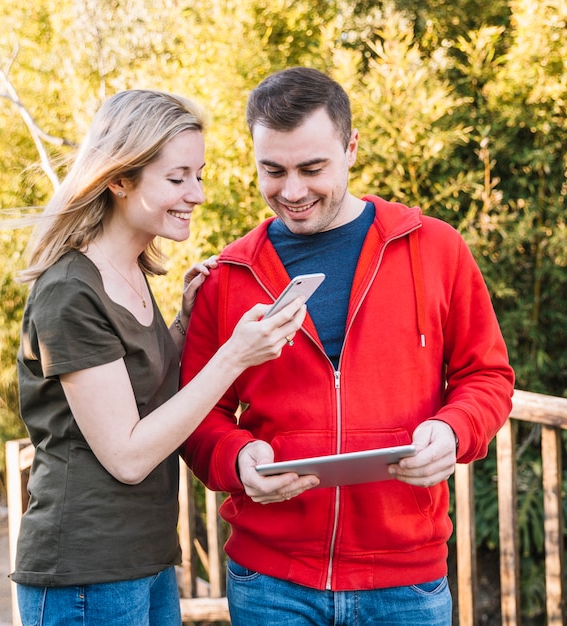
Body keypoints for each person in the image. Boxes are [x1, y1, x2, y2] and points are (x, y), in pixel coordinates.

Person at [180, 67, 515, 625]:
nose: (292, 192)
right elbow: (197, 413)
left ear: (352, 147)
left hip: (406, 582)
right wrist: (237, 458)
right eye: (273, 170)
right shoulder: (228, 276)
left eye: (313, 168)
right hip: (270, 583)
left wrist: (454, 431)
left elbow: (489, 377)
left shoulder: (436, 249)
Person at [11, 89, 307, 626]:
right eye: (177, 178)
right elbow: (128, 455)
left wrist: (182, 325)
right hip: (86, 570)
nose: (194, 193)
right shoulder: (69, 292)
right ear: (119, 180)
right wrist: (233, 356)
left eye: (198, 175)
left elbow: (139, 389)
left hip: (143, 558)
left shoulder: (132, 275)